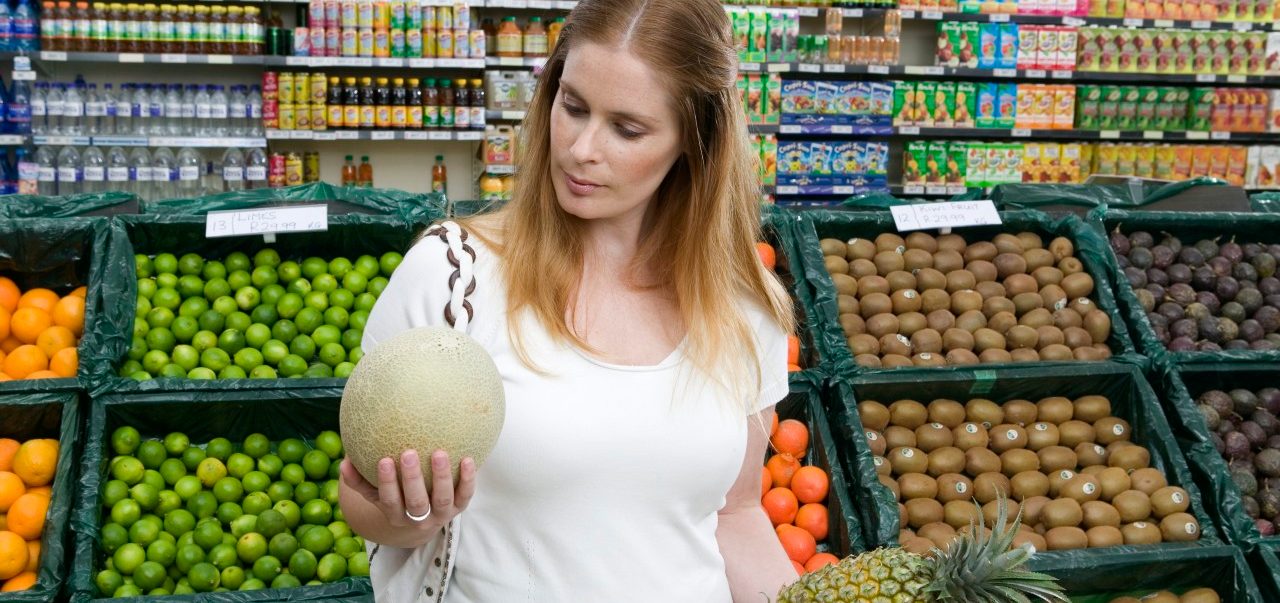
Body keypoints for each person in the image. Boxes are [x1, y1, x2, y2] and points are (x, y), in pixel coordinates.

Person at [338, 0, 798, 599]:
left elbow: (735, 514)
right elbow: (363, 498)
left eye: (627, 129)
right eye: (573, 106)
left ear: (695, 139)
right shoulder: (454, 277)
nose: (582, 148)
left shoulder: (742, 305)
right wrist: (403, 516)